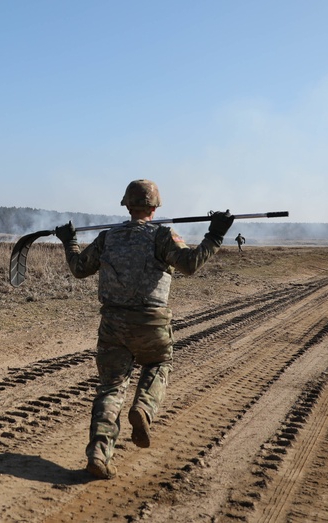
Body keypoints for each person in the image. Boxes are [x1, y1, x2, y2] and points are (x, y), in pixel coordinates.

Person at [55, 179, 234, 480]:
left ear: (127, 205)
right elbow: (190, 264)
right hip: (151, 323)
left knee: (110, 389)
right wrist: (215, 235)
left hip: (113, 325)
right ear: (154, 207)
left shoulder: (107, 237)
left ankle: (99, 455)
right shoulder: (162, 236)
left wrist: (69, 241)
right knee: (159, 362)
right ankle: (144, 408)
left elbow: (79, 269)